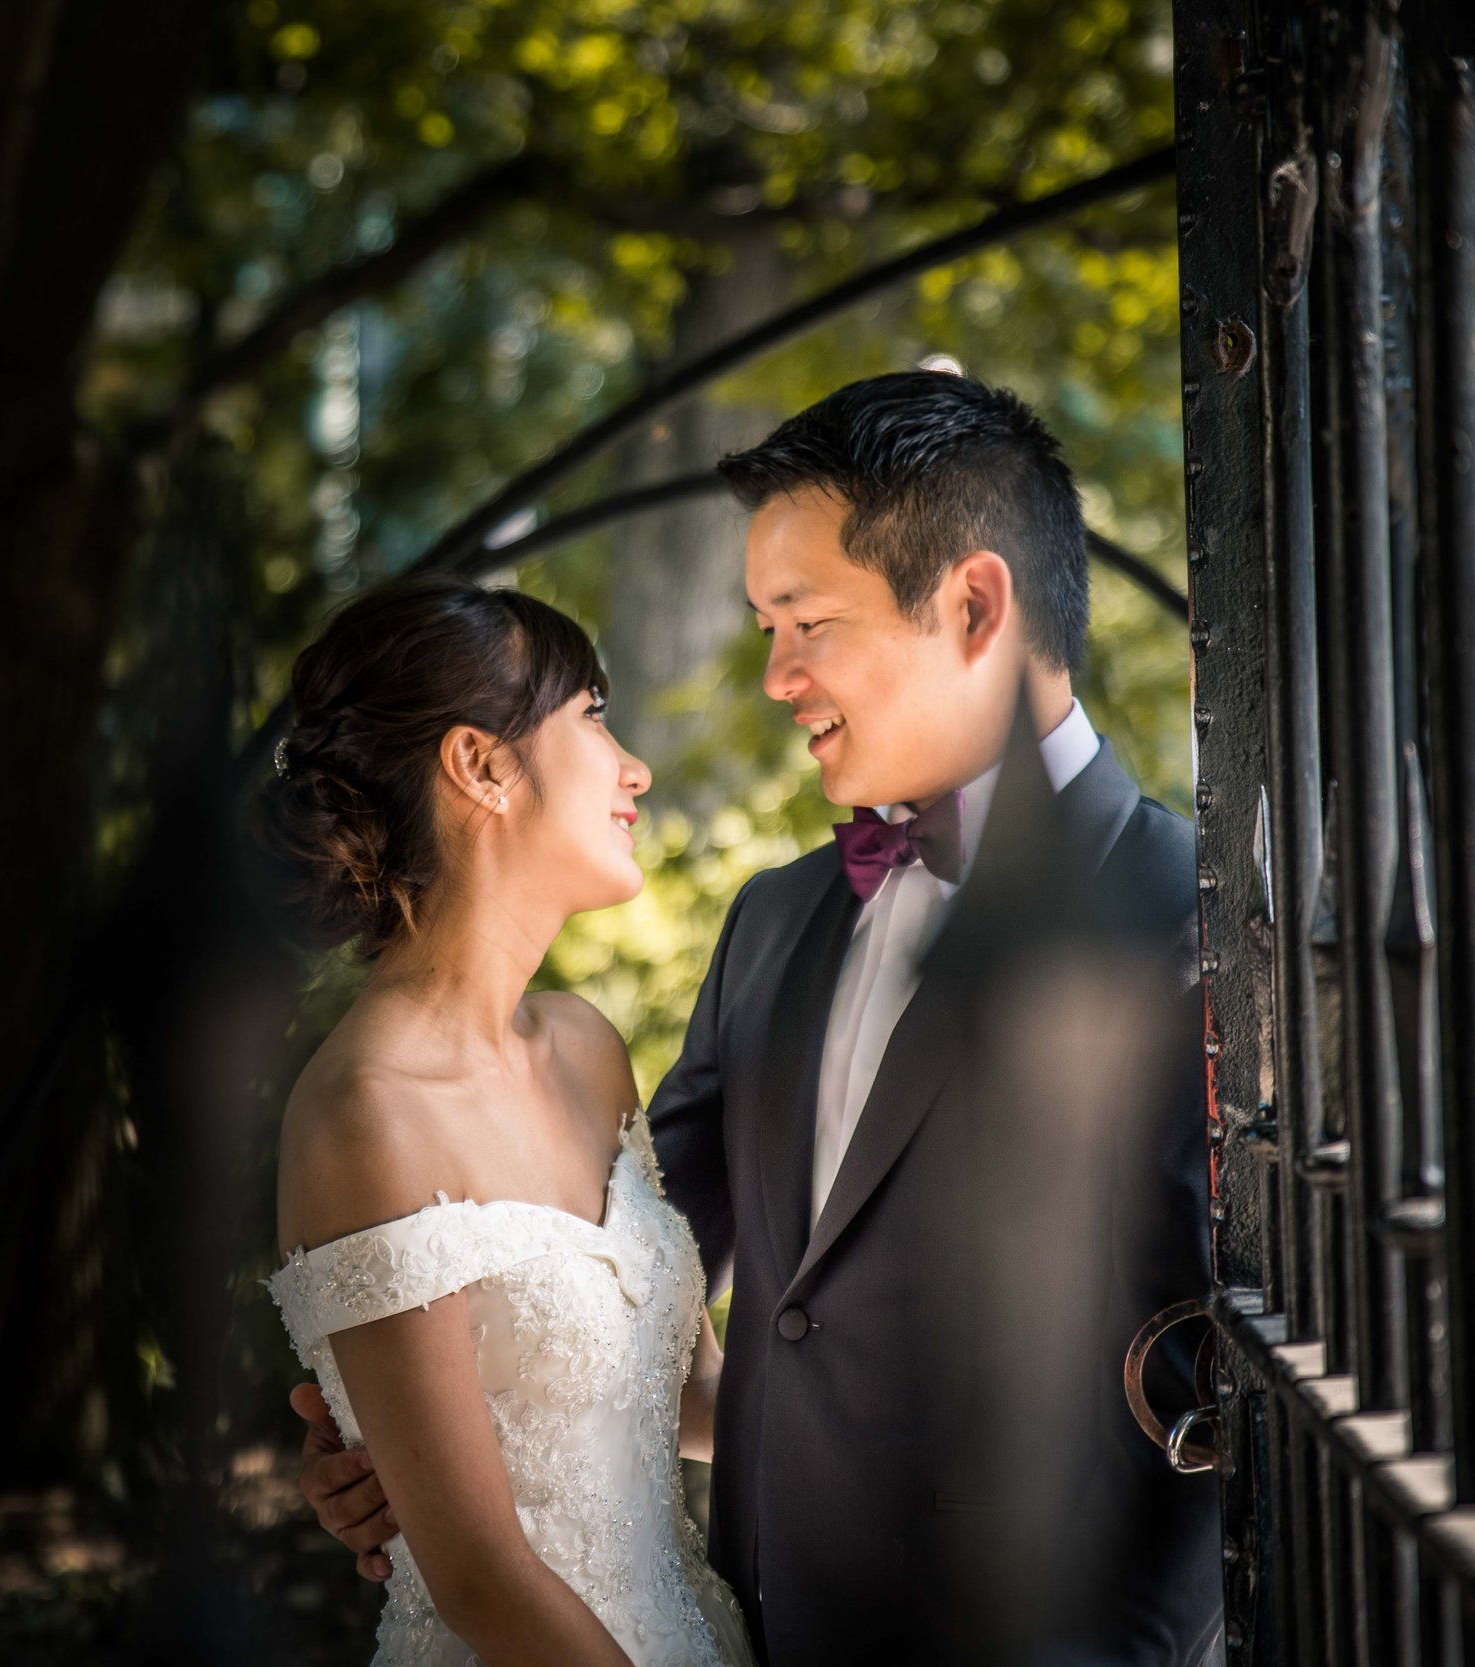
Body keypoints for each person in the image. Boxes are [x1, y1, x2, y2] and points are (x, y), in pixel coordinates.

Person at [296, 371, 1222, 1664]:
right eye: (763, 624)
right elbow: (602, 1304)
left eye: (805, 621)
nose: (777, 674)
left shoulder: (1210, 933)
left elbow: (1301, 1396)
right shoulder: (774, 925)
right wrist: (407, 1433)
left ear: (972, 604)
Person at [259, 575, 756, 1667]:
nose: (634, 765)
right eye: (591, 713)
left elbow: (691, 1390)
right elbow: (481, 1579)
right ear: (480, 763)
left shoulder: (586, 1046)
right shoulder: (363, 1115)